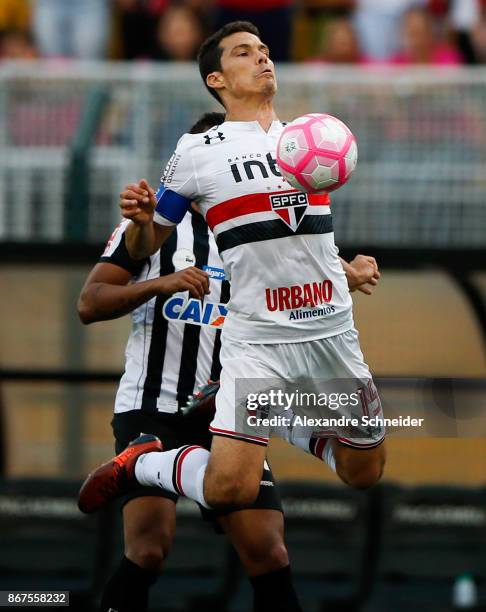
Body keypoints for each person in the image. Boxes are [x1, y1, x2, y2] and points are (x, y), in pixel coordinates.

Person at [79, 20, 386, 531]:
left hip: (331, 330)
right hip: (257, 340)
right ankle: (145, 462)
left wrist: (344, 271)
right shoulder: (198, 151)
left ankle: (280, 415)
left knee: (364, 471)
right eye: (244, 53)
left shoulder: (311, 137)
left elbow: (295, 242)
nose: (263, 58)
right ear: (216, 80)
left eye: (265, 49)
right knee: (230, 490)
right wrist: (139, 223)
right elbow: (148, 242)